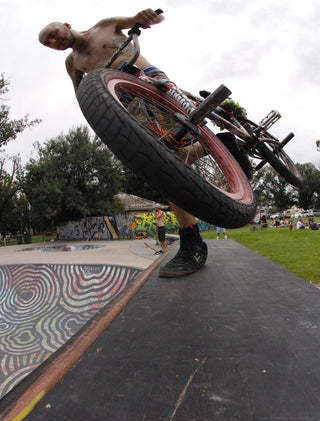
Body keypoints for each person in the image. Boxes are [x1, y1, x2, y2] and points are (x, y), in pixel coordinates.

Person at [39, 9, 210, 277]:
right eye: (48, 43)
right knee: (164, 164)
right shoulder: (73, 62)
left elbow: (149, 20)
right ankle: (193, 240)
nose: (53, 42)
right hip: (126, 101)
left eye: (53, 34)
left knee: (177, 148)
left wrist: (149, 16)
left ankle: (216, 145)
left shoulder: (105, 26)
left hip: (149, 80)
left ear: (66, 25)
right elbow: (81, 93)